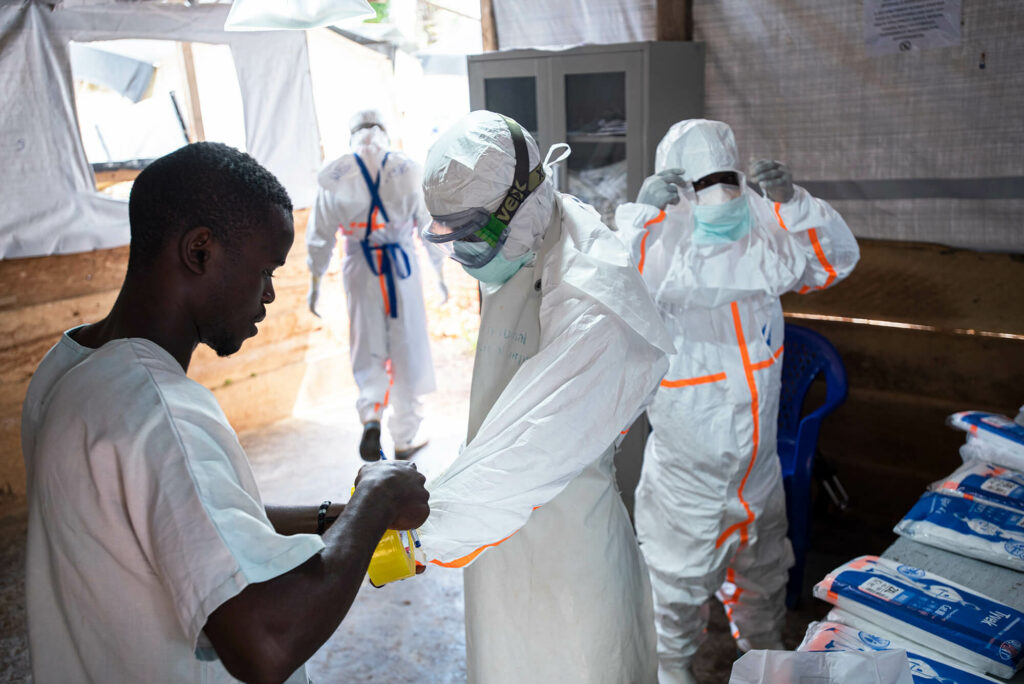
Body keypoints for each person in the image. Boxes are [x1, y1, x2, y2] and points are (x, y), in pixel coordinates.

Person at [21, 142, 430, 684]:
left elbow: (201, 517)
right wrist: (376, 502)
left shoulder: (69, 365)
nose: (269, 294)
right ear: (200, 251)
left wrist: (337, 518)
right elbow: (265, 643)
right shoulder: (156, 410)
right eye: (265, 270)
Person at [416, 110, 675, 683]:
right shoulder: (534, 235)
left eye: (474, 233)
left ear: (525, 201)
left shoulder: (593, 307)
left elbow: (527, 452)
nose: (464, 254)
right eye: (452, 236)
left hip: (568, 553)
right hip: (492, 534)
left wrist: (410, 536)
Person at [615, 118, 860, 684]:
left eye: (728, 181)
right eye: (701, 186)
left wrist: (792, 203)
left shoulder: (762, 249)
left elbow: (832, 262)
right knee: (673, 605)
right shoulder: (655, 265)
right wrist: (642, 218)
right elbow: (606, 286)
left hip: (759, 476)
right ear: (675, 191)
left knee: (765, 585)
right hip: (687, 487)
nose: (720, 198)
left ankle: (768, 667)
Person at [306, 108, 446, 461]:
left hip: (360, 266)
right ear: (384, 131)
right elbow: (428, 227)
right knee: (407, 346)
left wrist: (315, 281)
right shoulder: (406, 169)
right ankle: (404, 436)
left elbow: (319, 236)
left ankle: (371, 416)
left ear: (352, 133)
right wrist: (440, 272)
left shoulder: (336, 174)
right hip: (402, 267)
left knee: (367, 345)